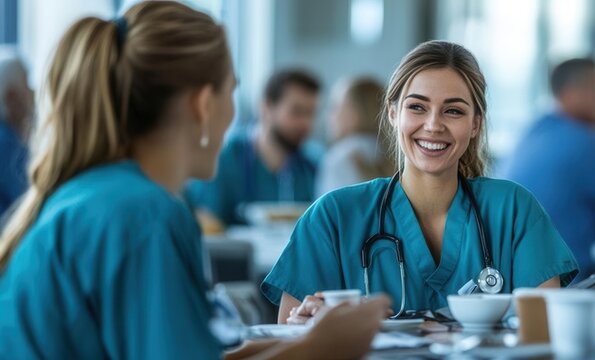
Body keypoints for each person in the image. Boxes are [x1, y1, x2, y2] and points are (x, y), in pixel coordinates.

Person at [0, 2, 387, 359]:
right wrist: (318, 349)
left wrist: (306, 343)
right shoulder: (146, 215)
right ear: (203, 103)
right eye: (231, 91)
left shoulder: (101, 194)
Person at [262, 40, 579, 323]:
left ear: (475, 124)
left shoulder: (514, 211)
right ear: (392, 113)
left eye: (453, 111)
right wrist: (309, 330)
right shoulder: (332, 218)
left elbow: (545, 337)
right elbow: (287, 342)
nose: (433, 125)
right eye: (417, 107)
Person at [501, 58, 595, 279]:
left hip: (512, 276)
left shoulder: (534, 130)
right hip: (565, 281)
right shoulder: (583, 141)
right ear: (571, 94)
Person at [186, 69, 320, 226]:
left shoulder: (313, 165)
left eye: (311, 114)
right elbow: (205, 221)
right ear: (266, 108)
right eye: (296, 112)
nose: (306, 123)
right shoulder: (224, 159)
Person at [315, 77, 393, 197]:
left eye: (335, 106)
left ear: (354, 114)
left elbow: (330, 208)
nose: (328, 115)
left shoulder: (338, 158)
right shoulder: (395, 154)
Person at [0, 47, 33, 217]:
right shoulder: (7, 145)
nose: (33, 93)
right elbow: (31, 200)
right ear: (11, 97)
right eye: (27, 85)